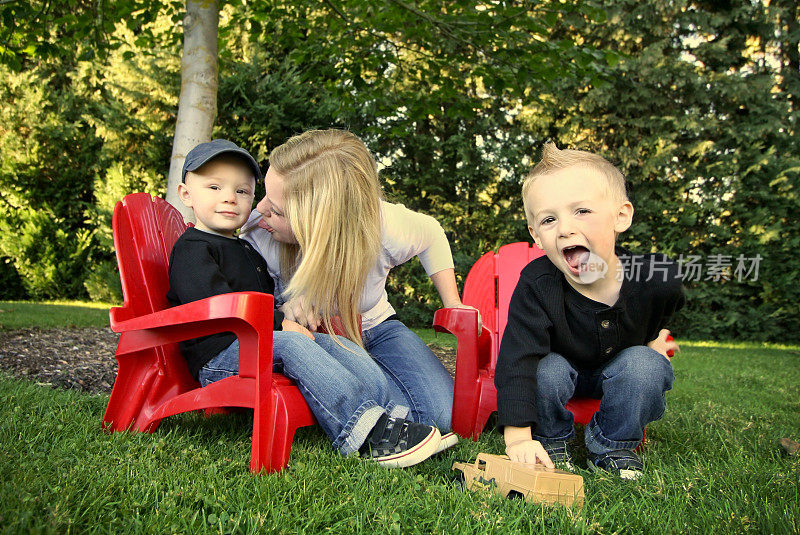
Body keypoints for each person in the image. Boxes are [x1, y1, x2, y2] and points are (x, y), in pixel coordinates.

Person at [166, 138, 444, 468]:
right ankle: (364, 435)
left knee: (337, 346)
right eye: (214, 187)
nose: (230, 198)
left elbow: (265, 299)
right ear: (185, 194)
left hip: (258, 342)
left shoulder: (243, 248)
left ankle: (392, 417)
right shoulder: (195, 249)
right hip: (220, 353)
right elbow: (220, 307)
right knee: (295, 346)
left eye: (242, 191)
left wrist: (284, 316)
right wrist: (281, 320)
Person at [240, 129, 477, 451]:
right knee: (415, 413)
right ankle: (371, 404)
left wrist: (453, 302)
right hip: (314, 341)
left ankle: (374, 395)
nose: (261, 209)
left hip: (374, 327)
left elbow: (432, 233)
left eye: (278, 211)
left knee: (440, 414)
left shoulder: (384, 227)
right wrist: (283, 313)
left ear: (322, 224)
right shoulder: (258, 234)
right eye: (266, 195)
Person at [495, 143, 684, 480]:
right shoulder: (537, 284)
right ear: (535, 235)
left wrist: (658, 340)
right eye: (549, 219)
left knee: (646, 364)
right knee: (545, 368)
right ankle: (550, 439)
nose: (565, 228)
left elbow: (667, 308)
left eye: (581, 211)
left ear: (621, 216)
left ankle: (613, 445)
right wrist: (518, 438)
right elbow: (518, 359)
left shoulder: (657, 277)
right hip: (559, 371)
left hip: (622, 370)